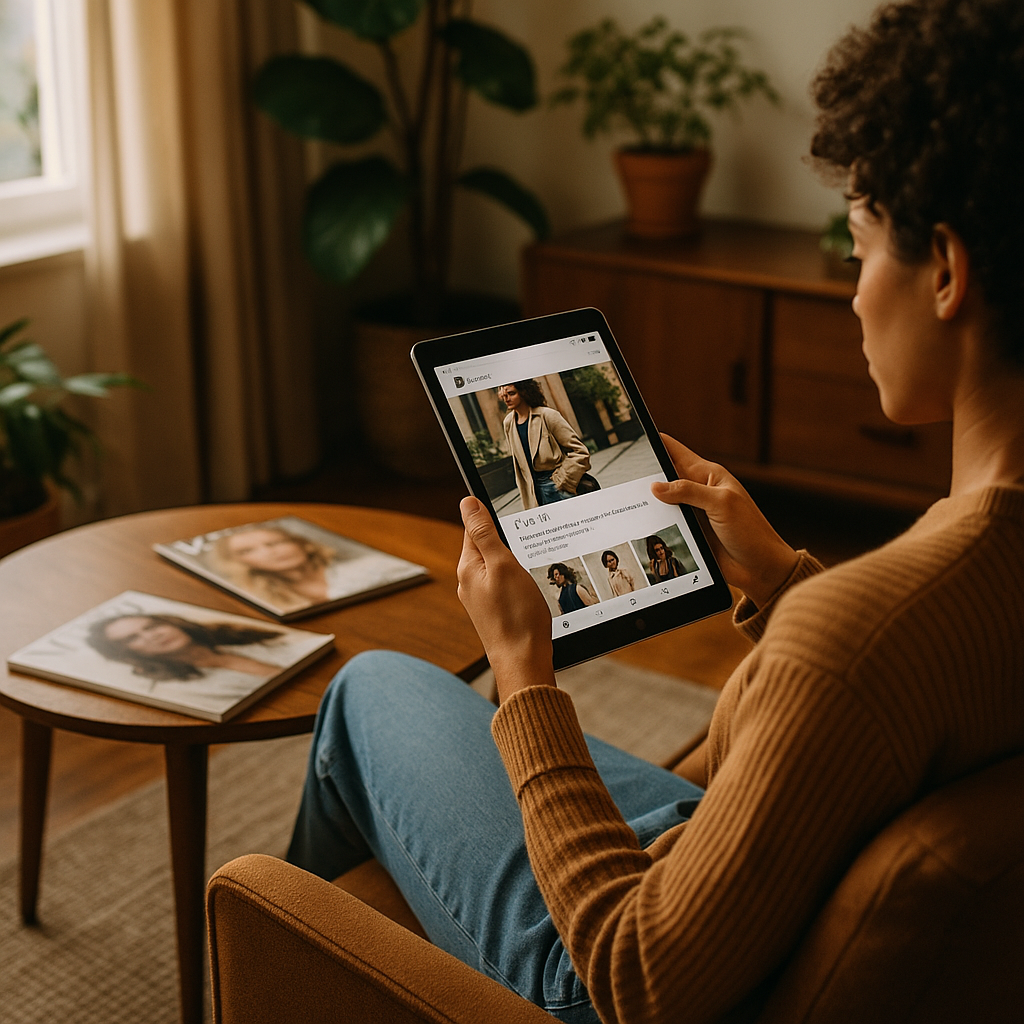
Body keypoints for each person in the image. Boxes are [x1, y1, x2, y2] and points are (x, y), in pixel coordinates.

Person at [285, 3, 1024, 1022]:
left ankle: (288, 949)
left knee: (366, 688)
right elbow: (907, 683)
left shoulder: (848, 641)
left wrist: (521, 669)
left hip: (614, 963)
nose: (854, 295)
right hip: (748, 891)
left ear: (944, 270)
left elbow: (631, 982)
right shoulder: (943, 586)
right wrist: (783, 583)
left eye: (857, 246)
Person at [87, 613, 283, 682]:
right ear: (125, 653)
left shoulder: (242, 638)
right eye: (132, 638)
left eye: (152, 626)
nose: (153, 635)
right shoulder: (187, 686)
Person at [210, 523, 343, 613]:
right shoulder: (253, 599)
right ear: (236, 562)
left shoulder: (353, 570)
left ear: (300, 543)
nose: (269, 552)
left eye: (275, 543)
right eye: (247, 551)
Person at [499, 380, 592, 509]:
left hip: (558, 484)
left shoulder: (547, 415)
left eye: (511, 393)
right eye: (504, 395)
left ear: (524, 392)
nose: (507, 399)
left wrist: (563, 480)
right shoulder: (508, 423)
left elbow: (579, 451)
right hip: (533, 492)